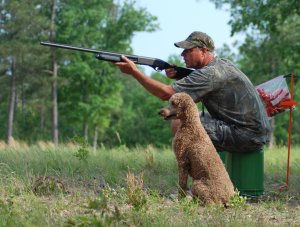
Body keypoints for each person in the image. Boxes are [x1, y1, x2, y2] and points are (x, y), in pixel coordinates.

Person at [114, 31, 270, 152]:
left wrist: (134, 72)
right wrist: (180, 74)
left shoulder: (209, 74)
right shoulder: (222, 64)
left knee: (180, 121)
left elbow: (165, 94)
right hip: (252, 132)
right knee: (186, 117)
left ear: (203, 51)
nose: (182, 54)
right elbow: (204, 89)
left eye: (188, 50)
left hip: (247, 136)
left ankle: (197, 181)